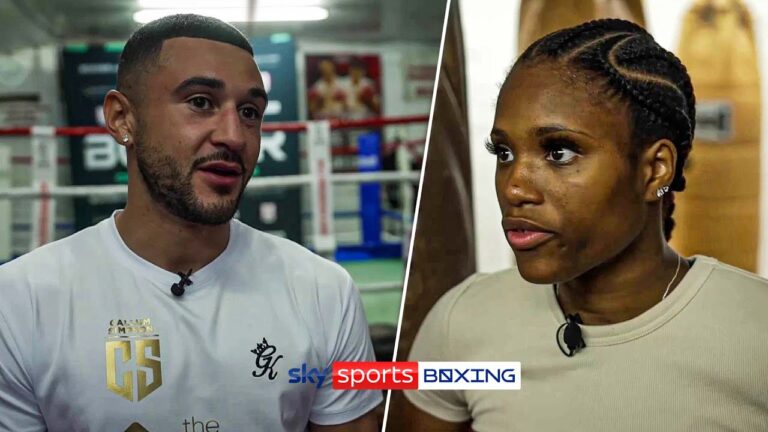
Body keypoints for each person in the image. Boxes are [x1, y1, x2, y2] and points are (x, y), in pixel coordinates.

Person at [0, 14, 380, 431]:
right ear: (122, 118)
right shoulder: (21, 302)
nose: (234, 136)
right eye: (200, 102)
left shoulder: (324, 292)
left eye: (250, 111)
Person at [401, 19, 768, 431]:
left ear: (654, 170)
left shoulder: (757, 335)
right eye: (503, 153)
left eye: (559, 152)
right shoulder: (462, 320)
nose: (515, 187)